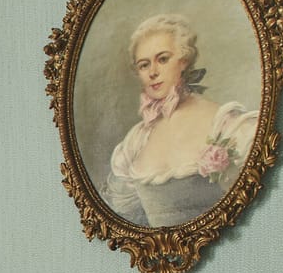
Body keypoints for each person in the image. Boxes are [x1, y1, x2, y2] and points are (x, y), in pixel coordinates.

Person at [101, 14, 257, 226]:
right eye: (144, 65)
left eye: (163, 59)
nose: (153, 72)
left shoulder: (224, 124)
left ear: (184, 61)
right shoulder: (136, 140)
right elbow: (126, 215)